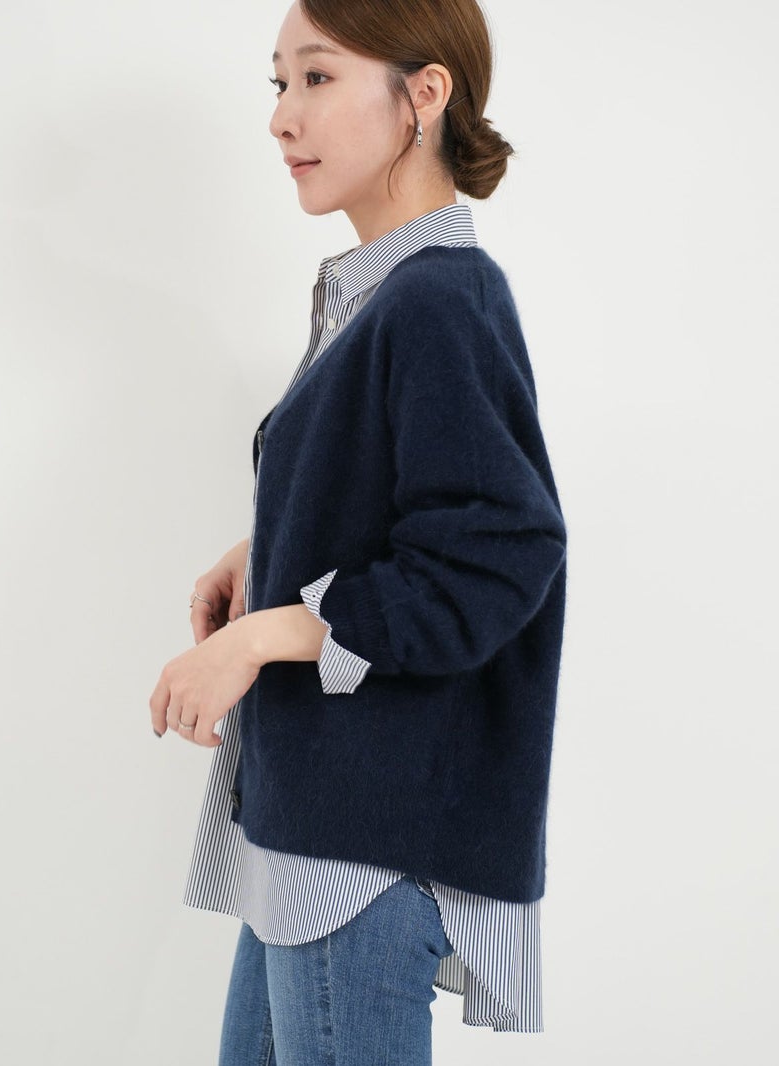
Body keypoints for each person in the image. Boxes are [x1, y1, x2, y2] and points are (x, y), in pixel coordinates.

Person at [149, 1, 568, 1062]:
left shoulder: (438, 299)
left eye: (318, 77)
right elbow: (407, 502)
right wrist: (269, 549)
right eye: (279, 82)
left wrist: (257, 637)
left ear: (423, 95)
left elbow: (494, 553)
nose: (282, 116)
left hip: (359, 854)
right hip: (311, 838)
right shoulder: (375, 295)